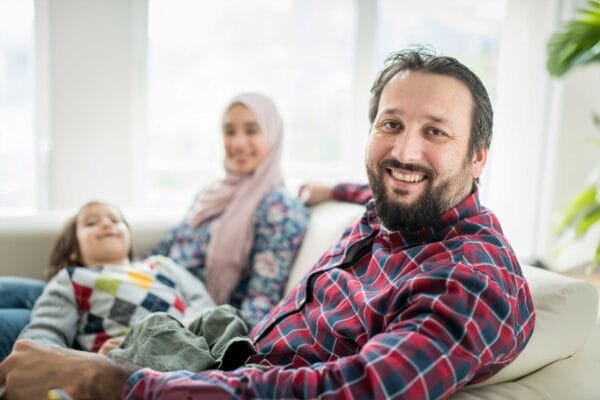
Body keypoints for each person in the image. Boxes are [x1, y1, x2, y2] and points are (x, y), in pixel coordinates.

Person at [0, 48, 535, 400]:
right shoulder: (394, 213)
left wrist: (116, 380)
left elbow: (362, 388)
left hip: (211, 373)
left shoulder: (470, 279)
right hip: (215, 357)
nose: (404, 150)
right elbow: (389, 179)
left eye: (436, 132)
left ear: (478, 157)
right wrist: (334, 191)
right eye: (390, 124)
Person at [0, 92, 309, 359]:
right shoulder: (211, 195)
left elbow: (262, 301)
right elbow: (162, 250)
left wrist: (210, 338)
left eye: (251, 130)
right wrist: (114, 269)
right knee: (26, 290)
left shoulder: (279, 210)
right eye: (229, 131)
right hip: (138, 284)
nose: (238, 142)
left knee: (23, 322)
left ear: (272, 134)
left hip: (177, 312)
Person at [17, 200, 215, 355]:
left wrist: (188, 324)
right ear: (73, 251)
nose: (106, 223)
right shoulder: (73, 278)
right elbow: (47, 329)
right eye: (91, 223)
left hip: (187, 345)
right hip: (122, 359)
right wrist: (39, 360)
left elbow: (203, 301)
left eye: (115, 220)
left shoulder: (162, 265)